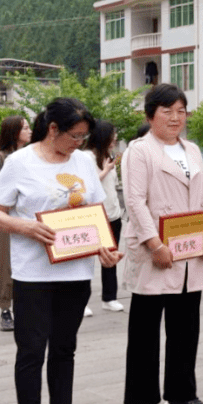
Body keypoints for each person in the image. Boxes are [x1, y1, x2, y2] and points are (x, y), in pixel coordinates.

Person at [0, 97, 122, 404]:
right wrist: (25, 225)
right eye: (74, 135)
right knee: (31, 351)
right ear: (53, 129)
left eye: (84, 136)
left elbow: (96, 211)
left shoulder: (83, 161)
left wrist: (104, 249)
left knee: (65, 346)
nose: (79, 142)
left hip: (76, 271)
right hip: (33, 274)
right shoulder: (20, 162)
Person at [122, 84, 203, 404]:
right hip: (159, 251)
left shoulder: (192, 149)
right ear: (150, 115)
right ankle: (140, 401)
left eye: (181, 111)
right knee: (145, 330)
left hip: (191, 249)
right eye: (167, 111)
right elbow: (135, 201)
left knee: (185, 326)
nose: (175, 117)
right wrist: (154, 244)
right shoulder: (139, 151)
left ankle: (180, 394)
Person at [0, 116, 32, 331]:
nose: (30, 130)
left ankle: (24, 307)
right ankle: (5, 309)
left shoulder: (32, 155)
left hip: (27, 219)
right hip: (5, 219)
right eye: (25, 127)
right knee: (4, 264)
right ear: (14, 132)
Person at [84, 120, 125, 313]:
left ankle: (109, 298)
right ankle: (80, 301)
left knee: (111, 257)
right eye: (112, 135)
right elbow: (86, 185)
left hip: (113, 214)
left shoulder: (107, 156)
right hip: (93, 215)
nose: (115, 139)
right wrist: (107, 170)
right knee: (85, 260)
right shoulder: (86, 157)